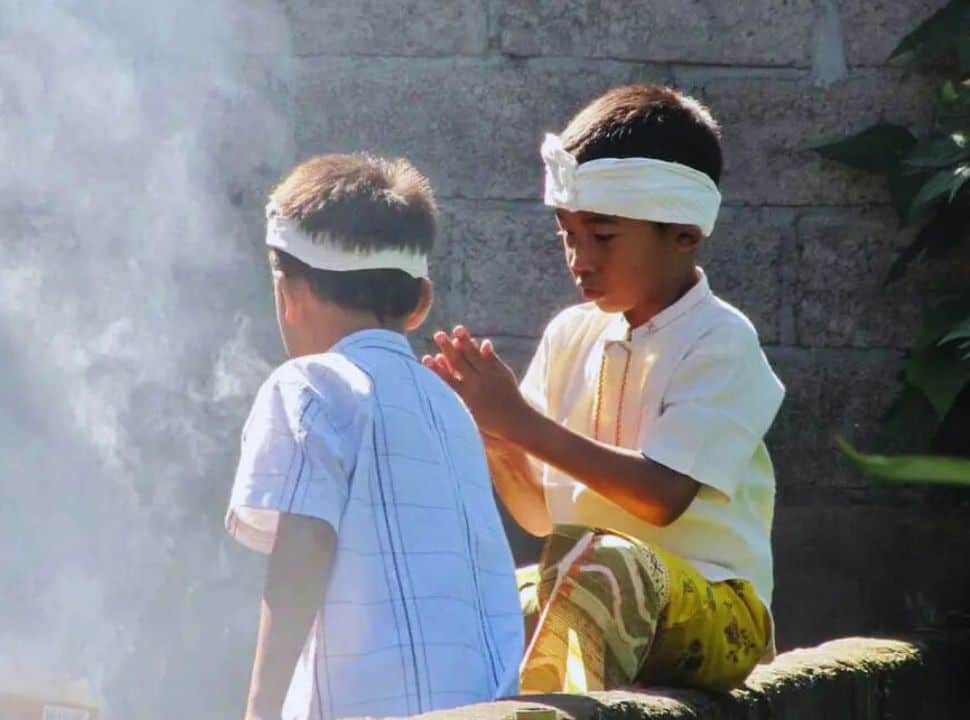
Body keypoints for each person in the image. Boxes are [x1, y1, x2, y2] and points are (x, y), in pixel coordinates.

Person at [423, 84, 785, 693]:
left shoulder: (721, 340)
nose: (578, 258)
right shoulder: (569, 333)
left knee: (604, 570)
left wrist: (521, 423)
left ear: (686, 234)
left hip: (719, 612)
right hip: (584, 580)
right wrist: (489, 428)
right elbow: (539, 516)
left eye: (603, 235)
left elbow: (662, 496)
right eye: (566, 233)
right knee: (461, 593)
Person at [226, 154, 523, 720]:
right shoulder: (452, 408)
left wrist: (259, 712)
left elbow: (303, 547)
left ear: (287, 291)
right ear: (419, 303)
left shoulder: (308, 385)